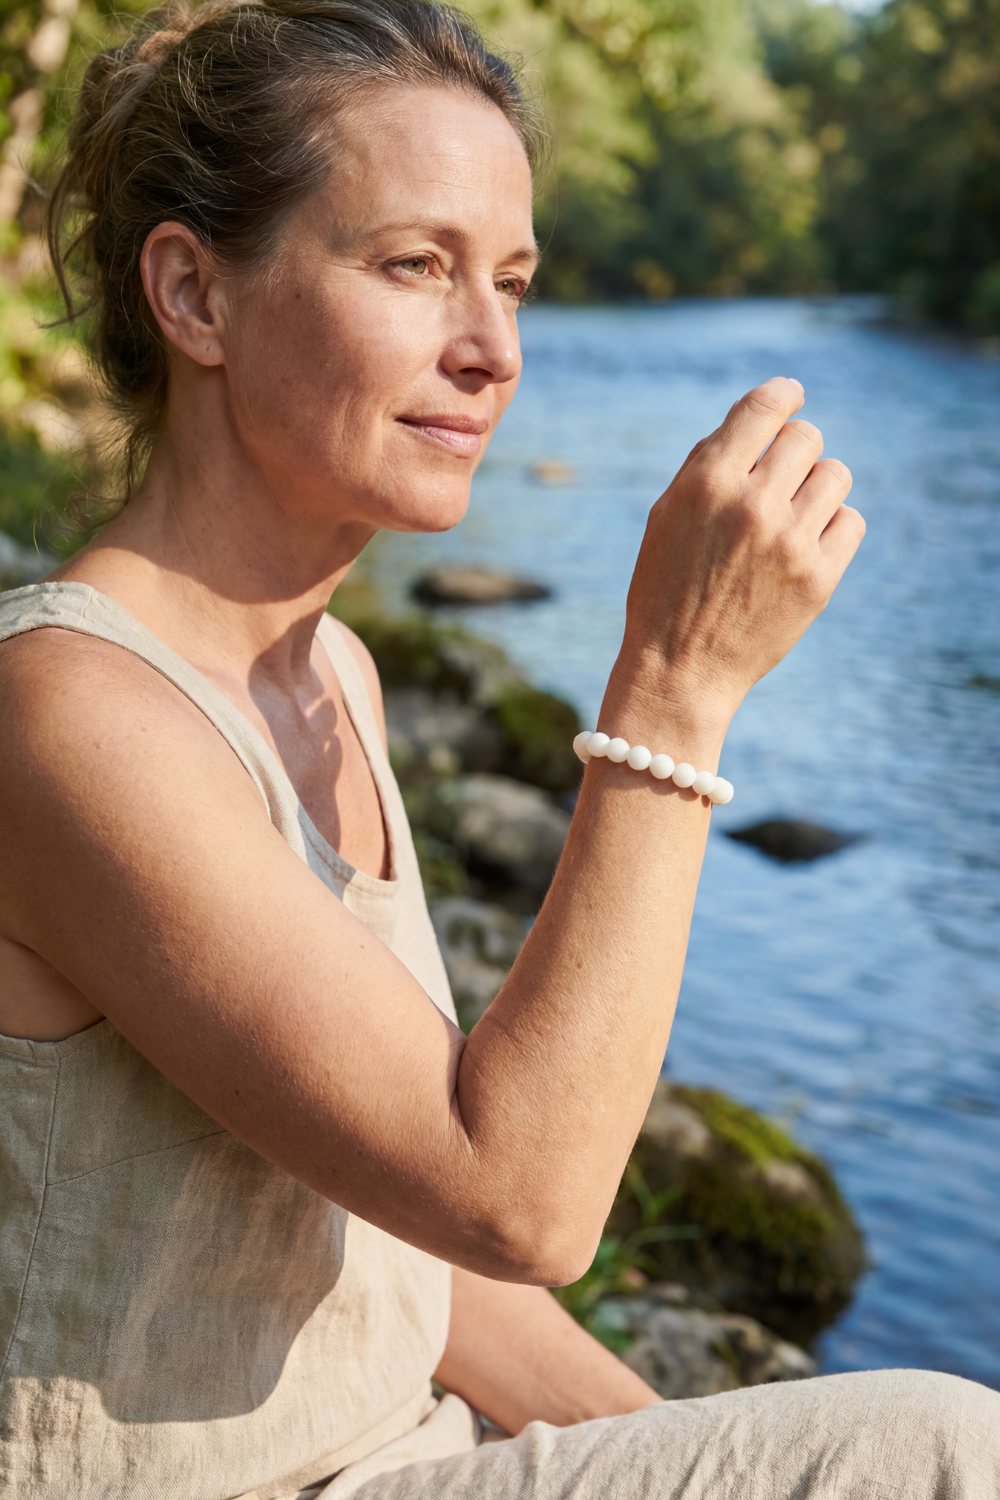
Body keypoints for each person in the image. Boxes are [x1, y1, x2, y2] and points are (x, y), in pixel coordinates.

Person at [0, 1, 997, 1495]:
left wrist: (695, 1453)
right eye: (417, 266)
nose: (492, 351)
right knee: (945, 1447)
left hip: (412, 1457)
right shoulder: (70, 711)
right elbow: (515, 1197)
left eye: (514, 284)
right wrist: (671, 690)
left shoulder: (330, 666)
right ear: (194, 296)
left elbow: (400, 1248)